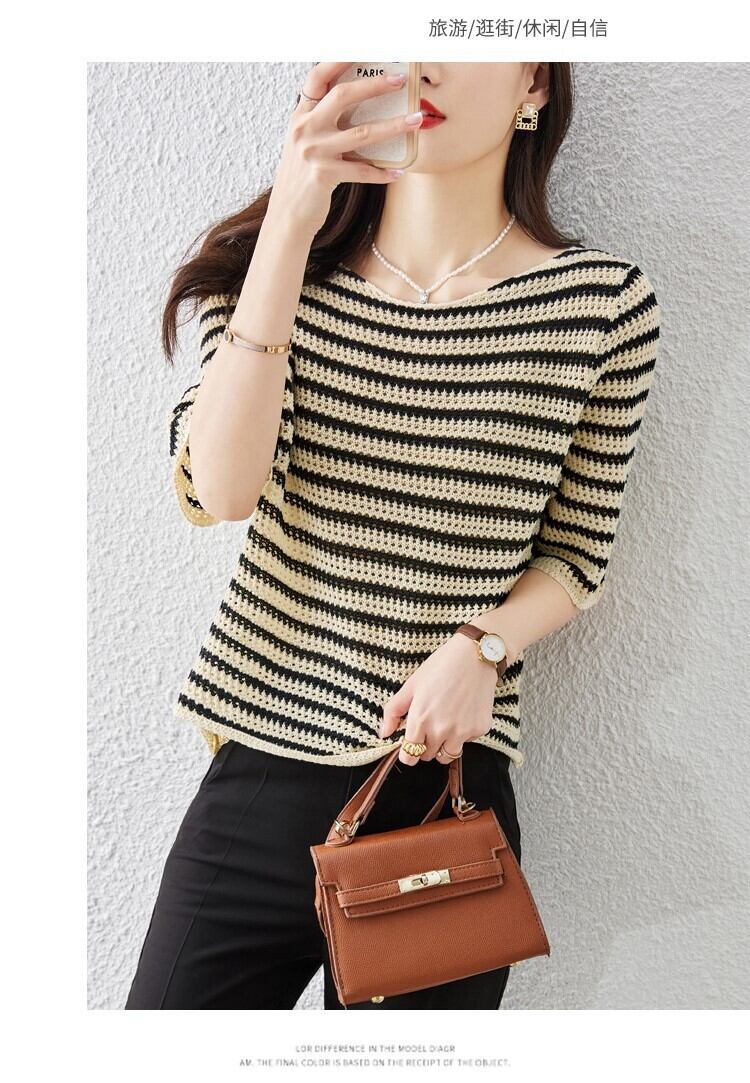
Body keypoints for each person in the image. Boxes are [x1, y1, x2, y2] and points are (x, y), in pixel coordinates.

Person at [125, 61, 661, 1009]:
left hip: (439, 793)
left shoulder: (601, 305)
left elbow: (578, 554)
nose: (425, 60)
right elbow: (223, 489)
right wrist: (291, 223)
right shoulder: (266, 274)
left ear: (534, 84)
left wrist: (483, 647)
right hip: (259, 775)